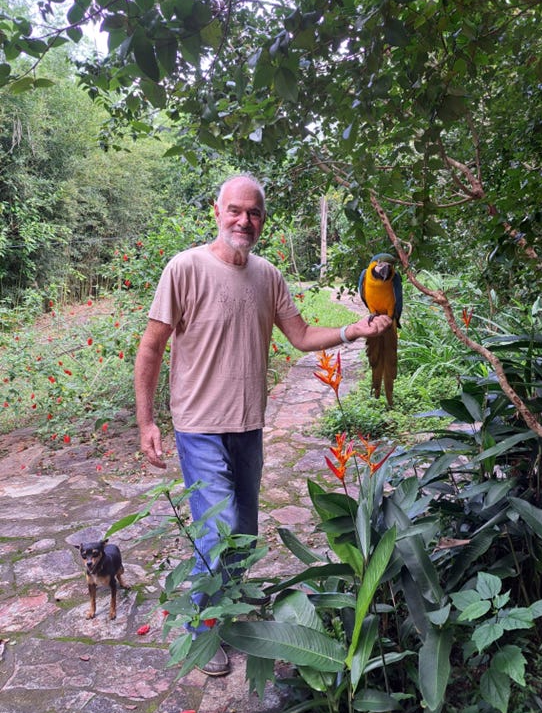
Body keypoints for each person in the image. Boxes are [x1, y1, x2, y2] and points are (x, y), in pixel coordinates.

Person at [134, 173, 393, 675]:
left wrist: (352, 329)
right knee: (218, 531)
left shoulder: (268, 275)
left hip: (249, 425)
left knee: (245, 534)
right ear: (216, 211)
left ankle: (228, 612)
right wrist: (147, 421)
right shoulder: (184, 268)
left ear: (262, 220)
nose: (244, 220)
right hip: (199, 426)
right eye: (235, 210)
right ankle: (202, 638)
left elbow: (298, 335)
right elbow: (152, 347)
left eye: (253, 213)